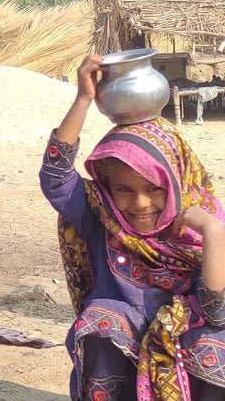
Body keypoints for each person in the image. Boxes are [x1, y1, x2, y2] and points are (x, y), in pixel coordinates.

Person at [42, 55, 225, 399]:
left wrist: (214, 234)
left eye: (154, 189)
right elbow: (55, 180)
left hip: (184, 338)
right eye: (124, 189)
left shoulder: (203, 223)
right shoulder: (104, 218)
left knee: (214, 341)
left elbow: (217, 311)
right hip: (124, 340)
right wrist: (83, 98)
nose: (139, 204)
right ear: (108, 188)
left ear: (175, 182)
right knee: (102, 321)